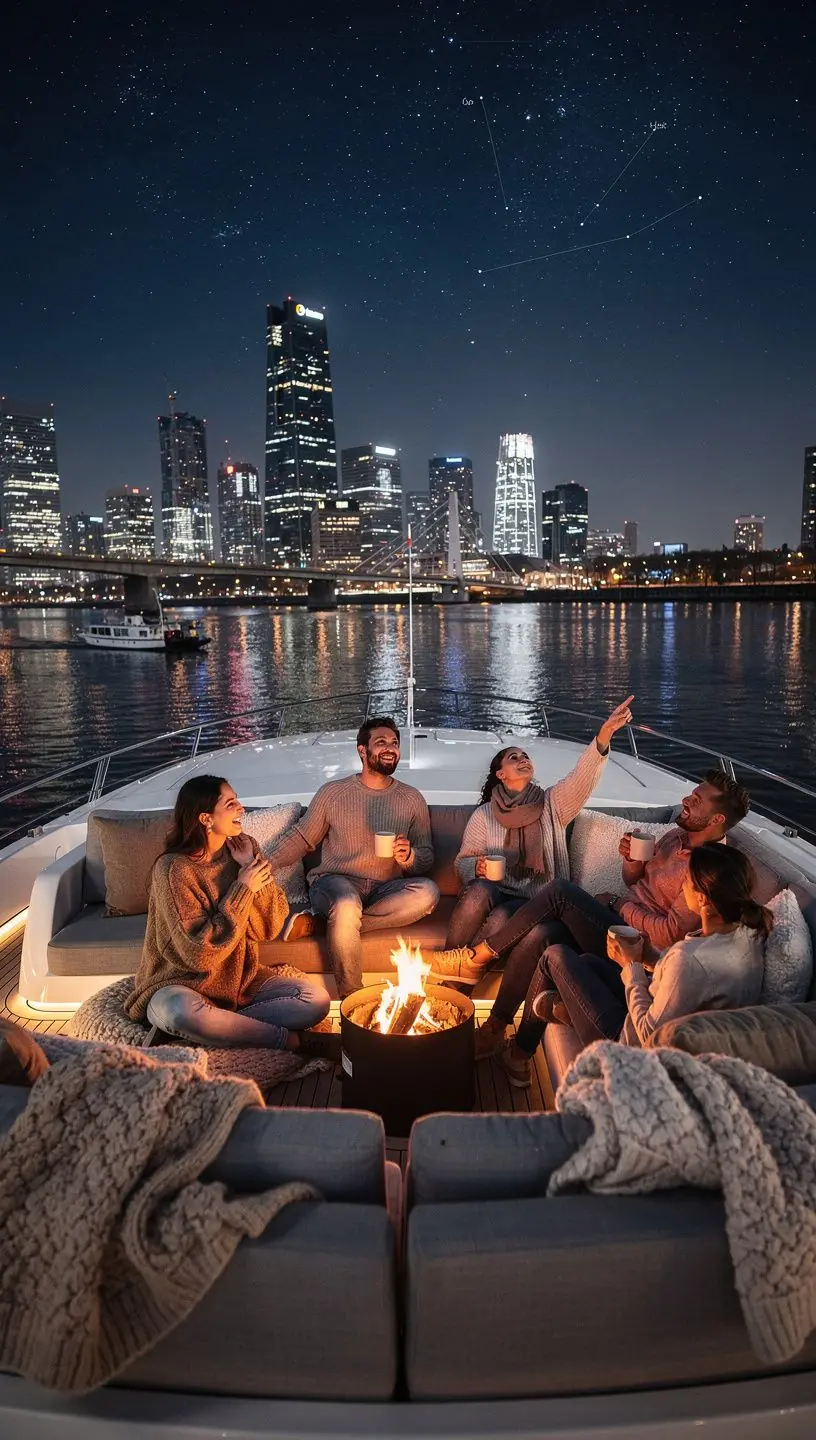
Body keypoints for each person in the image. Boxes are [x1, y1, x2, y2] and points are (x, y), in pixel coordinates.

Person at [428, 768, 752, 1057]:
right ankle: (500, 1033)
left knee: (558, 892)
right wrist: (633, 863)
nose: (687, 799)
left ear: (717, 819)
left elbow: (668, 934)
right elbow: (636, 882)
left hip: (635, 940)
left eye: (697, 800)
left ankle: (478, 955)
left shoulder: (709, 872)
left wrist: (616, 904)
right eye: (691, 794)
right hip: (617, 926)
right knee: (543, 936)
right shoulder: (675, 836)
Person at [444, 696, 635, 1058]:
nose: (523, 759)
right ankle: (453, 979)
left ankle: (482, 1006)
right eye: (513, 757)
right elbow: (463, 863)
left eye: (524, 755)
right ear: (500, 774)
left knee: (518, 923)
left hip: (544, 905)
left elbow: (582, 779)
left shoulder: (552, 804)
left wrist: (603, 736)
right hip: (500, 892)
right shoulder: (484, 815)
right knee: (484, 897)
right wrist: (478, 867)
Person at [495, 843, 771, 1086]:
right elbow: (691, 984)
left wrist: (633, 966)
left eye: (686, 881)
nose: (682, 886)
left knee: (554, 954)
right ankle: (561, 1012)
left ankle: (518, 1052)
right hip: (684, 1036)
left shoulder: (689, 958)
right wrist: (652, 958)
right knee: (587, 961)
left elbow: (646, 1037)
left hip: (632, 1055)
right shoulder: (749, 936)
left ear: (702, 899)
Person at [126, 776, 333, 1051]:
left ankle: (215, 1028)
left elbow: (268, 929)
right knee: (179, 1013)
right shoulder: (174, 869)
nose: (242, 810)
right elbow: (198, 954)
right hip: (179, 985)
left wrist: (249, 864)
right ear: (206, 818)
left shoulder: (244, 850)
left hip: (239, 983)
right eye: (231, 803)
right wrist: (243, 888)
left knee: (315, 1001)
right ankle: (290, 1041)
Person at [265, 717, 439, 998]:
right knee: (346, 904)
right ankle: (352, 999)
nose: (390, 749)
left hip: (384, 888)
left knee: (428, 893)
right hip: (335, 882)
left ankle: (323, 925)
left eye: (394, 743)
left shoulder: (411, 798)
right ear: (362, 751)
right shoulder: (334, 792)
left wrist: (409, 856)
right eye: (381, 742)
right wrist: (263, 864)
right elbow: (301, 838)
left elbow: (427, 858)